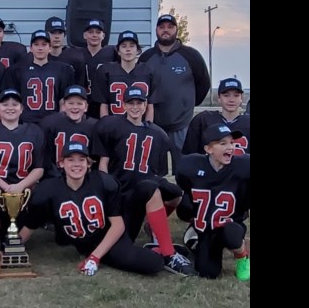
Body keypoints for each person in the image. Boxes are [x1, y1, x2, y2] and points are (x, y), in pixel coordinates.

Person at [17, 141, 188, 278]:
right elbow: (31, 225)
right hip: (98, 243)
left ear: (88, 163)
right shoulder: (49, 190)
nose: (76, 164)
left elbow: (118, 225)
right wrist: (9, 249)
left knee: (148, 187)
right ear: (61, 163)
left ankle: (168, 252)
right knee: (153, 264)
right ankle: (154, 250)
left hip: (116, 229)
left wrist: (94, 258)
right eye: (70, 159)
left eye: (81, 159)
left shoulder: (102, 181)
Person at [94, 87, 194, 274]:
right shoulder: (112, 126)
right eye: (131, 103)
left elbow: (159, 173)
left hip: (145, 190)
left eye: (139, 103)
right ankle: (167, 252)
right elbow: (103, 163)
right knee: (126, 237)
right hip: (122, 193)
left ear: (145, 105)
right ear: (123, 105)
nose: (135, 107)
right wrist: (106, 192)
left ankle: (161, 241)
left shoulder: (158, 134)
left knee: (175, 193)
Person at [175, 123, 251, 281]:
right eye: (223, 143)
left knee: (232, 234)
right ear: (208, 149)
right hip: (206, 228)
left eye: (231, 142)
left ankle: (242, 256)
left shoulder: (243, 165)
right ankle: (194, 235)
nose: (230, 147)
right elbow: (186, 189)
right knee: (208, 272)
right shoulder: (190, 166)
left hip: (230, 223)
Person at [0, 88, 46, 245]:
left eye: (14, 104)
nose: (10, 108)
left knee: (42, 196)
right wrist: (6, 187)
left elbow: (39, 168)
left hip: (24, 186)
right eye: (5, 104)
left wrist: (20, 186)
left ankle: (15, 235)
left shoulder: (35, 131)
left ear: (22, 109)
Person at [139, 13, 211, 171]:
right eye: (162, 27)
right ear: (156, 30)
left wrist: (186, 104)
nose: (166, 30)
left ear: (176, 30)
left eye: (170, 27)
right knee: (153, 172)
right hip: (153, 126)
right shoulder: (146, 57)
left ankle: (184, 196)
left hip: (182, 126)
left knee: (185, 170)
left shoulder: (191, 56)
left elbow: (203, 84)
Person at [3, 30, 75, 125]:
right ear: (31, 48)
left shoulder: (62, 69)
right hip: (27, 121)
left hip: (52, 120)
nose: (40, 48)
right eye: (36, 44)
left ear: (50, 48)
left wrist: (61, 120)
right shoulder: (18, 70)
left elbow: (63, 100)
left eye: (44, 44)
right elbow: (13, 99)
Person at [92, 31, 155, 121]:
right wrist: (105, 127)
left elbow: (150, 105)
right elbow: (104, 104)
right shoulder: (106, 71)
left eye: (132, 46)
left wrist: (148, 129)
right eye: (124, 46)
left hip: (139, 126)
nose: (128, 49)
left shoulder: (148, 71)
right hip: (115, 125)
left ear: (137, 50)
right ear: (118, 51)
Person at [39, 84, 99, 179]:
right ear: (63, 105)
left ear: (86, 107)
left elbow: (96, 159)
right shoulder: (50, 123)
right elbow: (45, 156)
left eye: (79, 103)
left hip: (83, 177)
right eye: (70, 103)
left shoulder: (94, 126)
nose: (75, 107)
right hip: (54, 176)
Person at [183, 77, 250, 156]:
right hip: (209, 168)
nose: (231, 100)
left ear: (241, 98)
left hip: (241, 168)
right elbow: (189, 154)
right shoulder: (203, 120)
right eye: (226, 95)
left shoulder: (248, 122)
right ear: (219, 98)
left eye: (236, 95)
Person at [80, 19, 117, 119]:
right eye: (91, 32)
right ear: (84, 35)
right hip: (84, 103)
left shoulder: (112, 53)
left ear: (103, 36)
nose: (94, 35)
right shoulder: (77, 54)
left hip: (105, 103)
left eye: (98, 32)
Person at [43, 16, 87, 86]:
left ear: (65, 34)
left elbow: (80, 85)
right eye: (53, 32)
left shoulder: (75, 58)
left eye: (60, 33)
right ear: (46, 34)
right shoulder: (40, 57)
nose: (57, 36)